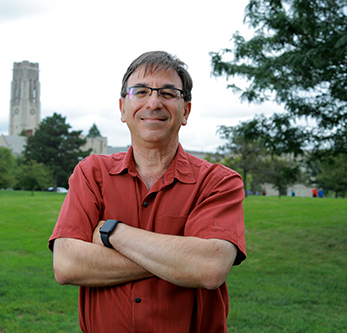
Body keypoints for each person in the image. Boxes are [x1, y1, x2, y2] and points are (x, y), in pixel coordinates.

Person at [49, 51, 246, 333]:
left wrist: (111, 233)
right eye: (140, 92)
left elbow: (209, 267)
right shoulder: (92, 173)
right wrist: (178, 259)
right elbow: (67, 264)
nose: (153, 103)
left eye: (168, 93)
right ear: (122, 108)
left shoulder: (218, 182)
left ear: (186, 111)